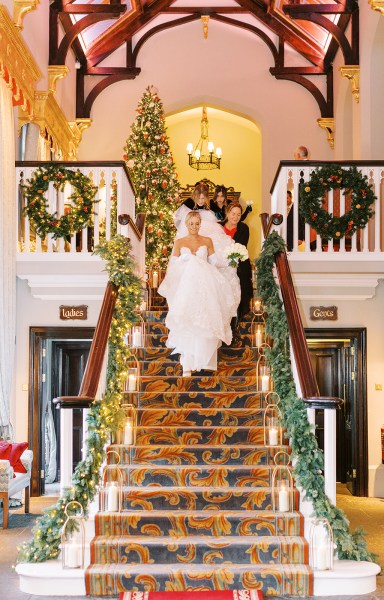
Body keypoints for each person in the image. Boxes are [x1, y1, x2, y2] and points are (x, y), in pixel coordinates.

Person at [158, 211, 238, 376]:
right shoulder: (179, 242)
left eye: (197, 223)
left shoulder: (207, 241)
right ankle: (187, 361)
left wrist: (231, 260)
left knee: (203, 320)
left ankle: (201, 359)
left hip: (204, 285)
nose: (194, 227)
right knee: (187, 320)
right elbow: (173, 266)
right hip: (187, 286)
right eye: (191, 223)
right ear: (187, 224)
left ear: (200, 224)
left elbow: (215, 262)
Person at [221, 201, 253, 326]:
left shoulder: (244, 228)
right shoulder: (218, 227)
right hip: (221, 266)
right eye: (233, 213)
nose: (236, 217)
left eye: (239, 214)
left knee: (239, 293)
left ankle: (236, 322)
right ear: (227, 213)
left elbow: (241, 246)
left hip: (239, 266)